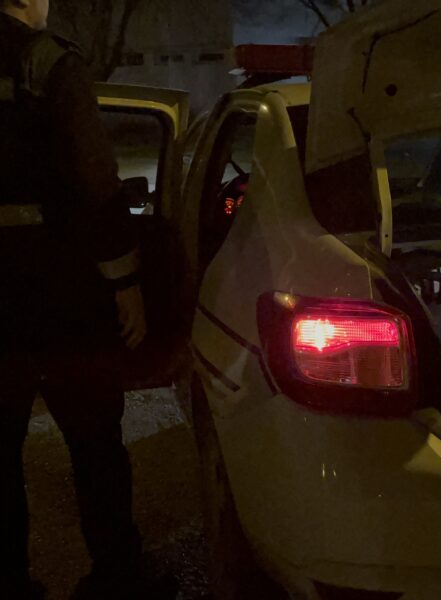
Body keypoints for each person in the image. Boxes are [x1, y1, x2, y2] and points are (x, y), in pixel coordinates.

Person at [0, 1, 174, 598]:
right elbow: (96, 182)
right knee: (95, 441)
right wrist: (126, 283)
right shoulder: (51, 64)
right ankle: (117, 578)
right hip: (63, 294)